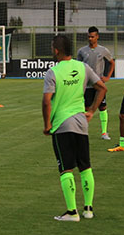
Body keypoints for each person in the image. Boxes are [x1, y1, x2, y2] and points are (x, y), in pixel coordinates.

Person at [42, 34, 107, 222]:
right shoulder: (83, 67)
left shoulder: (53, 72)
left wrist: (47, 125)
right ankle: (88, 209)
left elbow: (47, 101)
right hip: (81, 124)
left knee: (66, 169)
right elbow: (102, 88)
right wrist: (92, 110)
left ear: (56, 50)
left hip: (62, 124)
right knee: (85, 167)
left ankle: (72, 212)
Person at [76, 26, 115, 140]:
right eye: (89, 36)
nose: (90, 39)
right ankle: (83, 131)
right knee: (86, 108)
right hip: (86, 85)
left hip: (98, 85)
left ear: (97, 37)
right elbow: (78, 66)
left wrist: (107, 77)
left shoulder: (103, 50)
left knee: (102, 107)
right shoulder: (82, 51)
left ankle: (104, 133)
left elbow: (112, 63)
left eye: (92, 36)